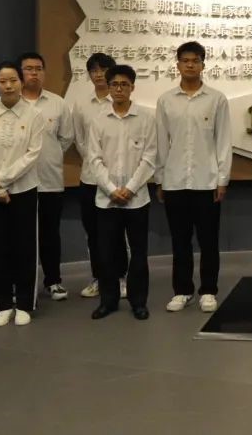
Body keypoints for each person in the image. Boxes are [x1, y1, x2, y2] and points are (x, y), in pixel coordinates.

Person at [156, 41, 233, 314]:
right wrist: (160, 179)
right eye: (185, 60)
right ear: (177, 64)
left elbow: (223, 141)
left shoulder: (216, 99)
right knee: (180, 241)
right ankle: (182, 290)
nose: (190, 64)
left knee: (209, 240)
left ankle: (208, 290)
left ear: (203, 65)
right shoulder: (166, 100)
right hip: (175, 180)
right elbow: (161, 142)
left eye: (195, 60)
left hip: (206, 182)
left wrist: (222, 179)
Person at [0, 62, 45, 327]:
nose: (8, 86)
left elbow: (33, 153)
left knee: (25, 247)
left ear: (21, 82)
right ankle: (2, 304)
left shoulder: (34, 115)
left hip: (24, 190)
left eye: (13, 80)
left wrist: (3, 180)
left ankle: (25, 303)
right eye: (2, 81)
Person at [87, 65, 157, 321]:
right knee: (106, 253)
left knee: (139, 253)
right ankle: (108, 301)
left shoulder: (146, 119)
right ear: (108, 87)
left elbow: (150, 157)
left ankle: (138, 302)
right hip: (106, 199)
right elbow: (94, 159)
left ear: (132, 87)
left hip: (136, 199)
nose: (119, 89)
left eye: (124, 84)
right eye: (114, 84)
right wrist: (111, 189)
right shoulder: (98, 120)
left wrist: (129, 188)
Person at [19, 52, 75, 301]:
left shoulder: (57, 103)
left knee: (50, 235)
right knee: (22, 237)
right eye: (28, 68)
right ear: (20, 73)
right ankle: (23, 283)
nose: (34, 73)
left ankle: (53, 281)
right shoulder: (11, 102)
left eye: (38, 68)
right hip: (19, 183)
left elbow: (66, 138)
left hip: (50, 181)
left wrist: (49, 154)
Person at [70, 52, 125, 298]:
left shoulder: (120, 102)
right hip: (90, 178)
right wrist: (95, 163)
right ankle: (99, 278)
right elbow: (80, 140)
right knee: (93, 232)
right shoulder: (82, 105)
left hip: (116, 180)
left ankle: (121, 277)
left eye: (103, 69)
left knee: (116, 231)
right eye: (94, 70)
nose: (99, 74)